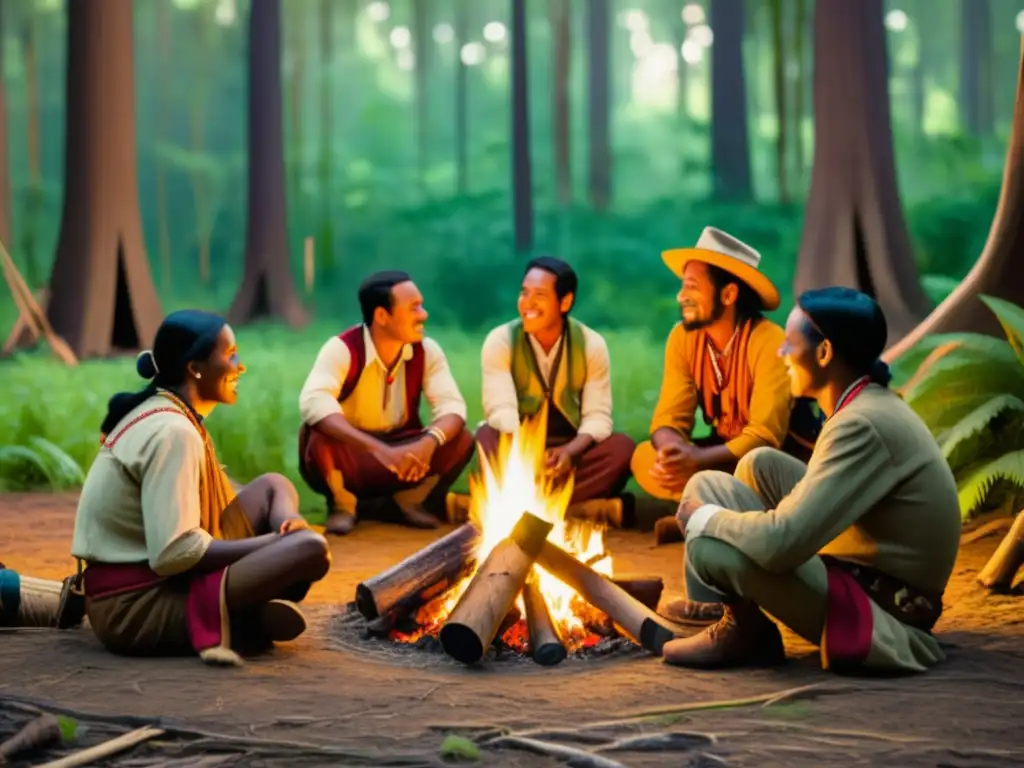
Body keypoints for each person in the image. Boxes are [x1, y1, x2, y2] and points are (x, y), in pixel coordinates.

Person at [662, 287, 962, 674]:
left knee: (709, 544)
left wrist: (706, 519)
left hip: (884, 611)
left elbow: (780, 545)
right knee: (752, 466)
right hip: (863, 566)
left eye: (789, 343)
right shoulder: (865, 403)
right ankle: (738, 621)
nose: (780, 354)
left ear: (824, 353)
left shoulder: (861, 424)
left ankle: (747, 636)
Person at [70, 310, 331, 666]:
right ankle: (246, 619)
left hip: (152, 584)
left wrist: (288, 523)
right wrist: (275, 546)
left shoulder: (173, 414)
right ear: (195, 368)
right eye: (231, 354)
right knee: (309, 549)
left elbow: (231, 494)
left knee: (275, 487)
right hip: (132, 607)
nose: (241, 367)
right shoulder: (173, 432)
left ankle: (249, 612)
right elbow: (174, 552)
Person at [298, 270, 474, 536]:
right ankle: (344, 504)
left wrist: (428, 442)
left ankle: (409, 501)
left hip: (405, 451)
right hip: (353, 453)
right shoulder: (342, 348)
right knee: (318, 435)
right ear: (382, 316)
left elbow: (452, 407)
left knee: (460, 439)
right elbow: (314, 402)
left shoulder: (427, 352)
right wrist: (376, 448)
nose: (423, 314)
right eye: (414, 307)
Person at [472, 257, 636, 526]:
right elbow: (499, 409)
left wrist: (570, 452)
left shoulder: (591, 344)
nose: (527, 303)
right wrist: (526, 457)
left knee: (621, 449)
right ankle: (577, 509)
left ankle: (514, 506)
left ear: (565, 302)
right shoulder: (500, 341)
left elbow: (597, 418)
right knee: (486, 438)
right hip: (516, 444)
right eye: (524, 293)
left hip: (569, 450)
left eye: (539, 295)